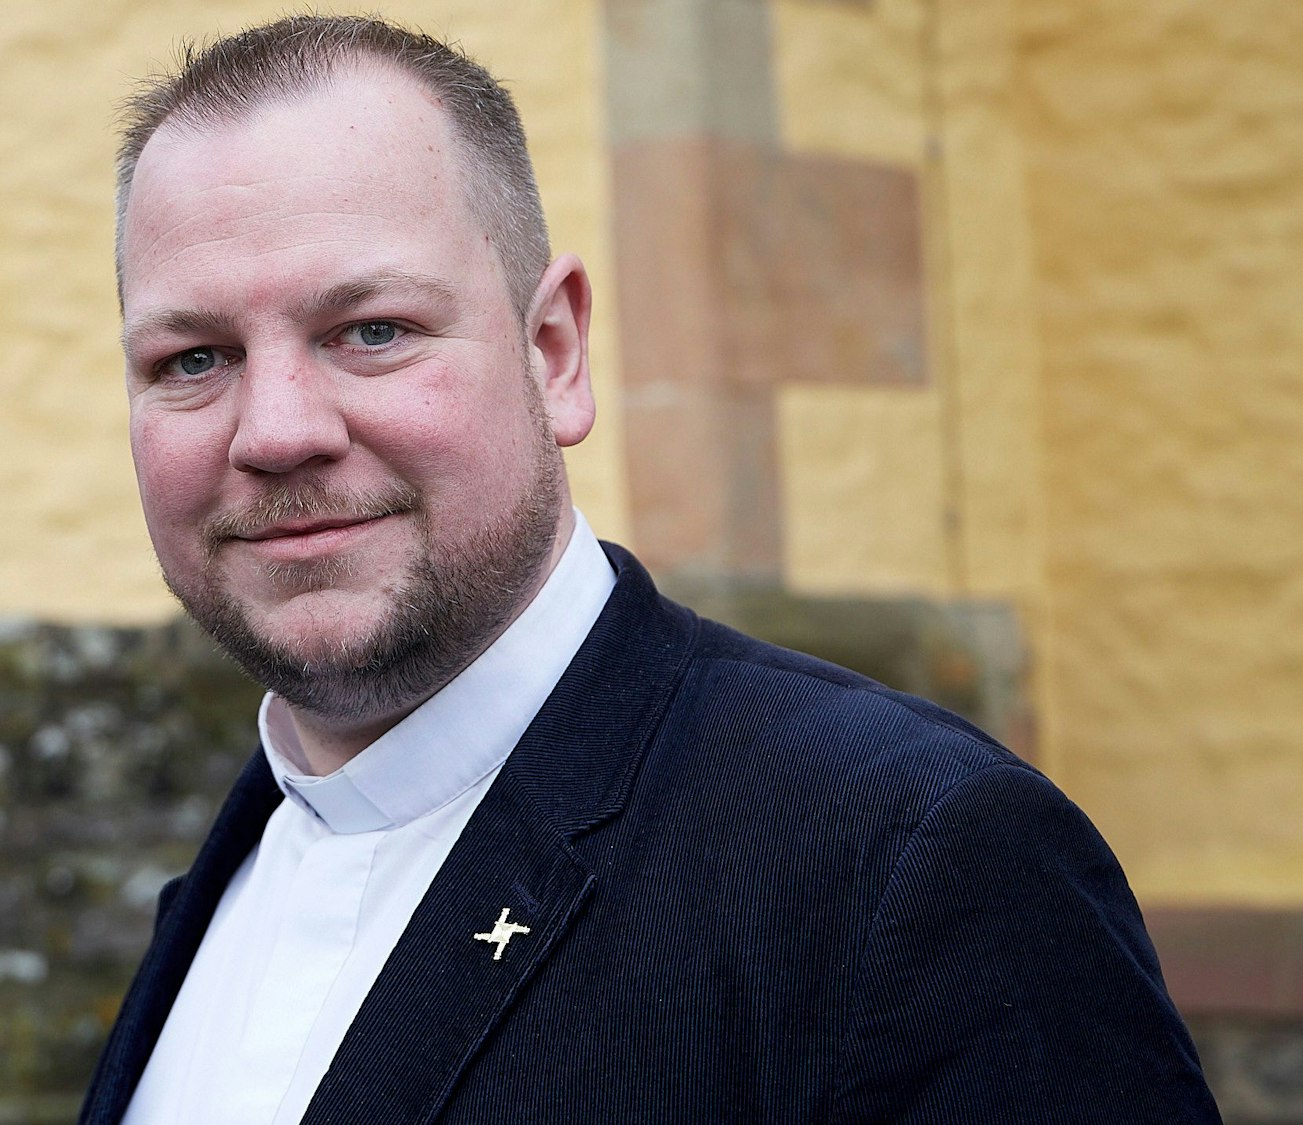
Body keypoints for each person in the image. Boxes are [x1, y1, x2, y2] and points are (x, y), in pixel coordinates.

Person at [82, 15, 1220, 1125]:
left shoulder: (908, 863)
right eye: (192, 359)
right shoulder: (230, 878)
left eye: (370, 330)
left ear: (554, 353)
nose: (275, 430)